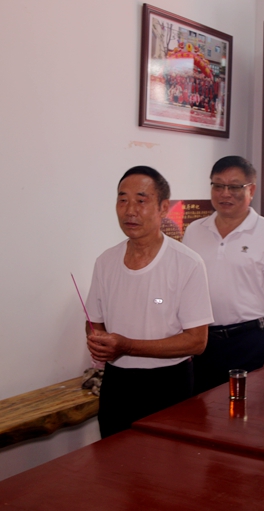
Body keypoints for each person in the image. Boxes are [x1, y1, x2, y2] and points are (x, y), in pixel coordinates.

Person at [85, 166, 213, 438]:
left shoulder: (187, 263)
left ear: (163, 207)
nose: (130, 210)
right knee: (113, 459)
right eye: (122, 200)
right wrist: (98, 341)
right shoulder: (106, 261)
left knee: (165, 461)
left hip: (168, 383)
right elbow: (93, 320)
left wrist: (128, 346)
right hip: (117, 383)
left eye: (141, 201)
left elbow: (197, 342)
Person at [183, 156, 264, 394]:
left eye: (234, 187)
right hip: (204, 343)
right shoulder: (194, 231)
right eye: (218, 185)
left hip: (251, 341)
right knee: (202, 411)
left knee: (248, 410)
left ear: (251, 190)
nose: (225, 194)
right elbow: (184, 290)